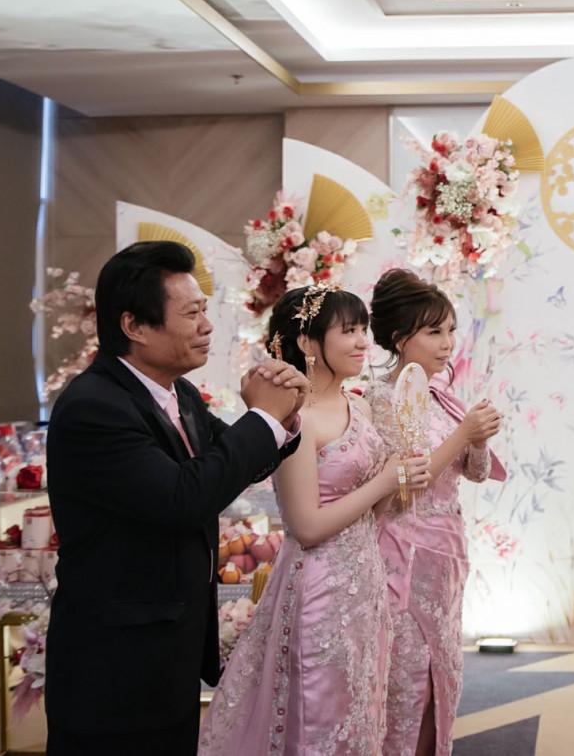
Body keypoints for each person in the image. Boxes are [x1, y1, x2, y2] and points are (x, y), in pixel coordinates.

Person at [45, 241, 306, 755]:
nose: (207, 326)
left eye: (204, 310)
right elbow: (184, 497)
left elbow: (232, 465)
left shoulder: (178, 392)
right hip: (115, 671)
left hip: (170, 658)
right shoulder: (93, 407)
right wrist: (263, 418)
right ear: (134, 326)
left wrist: (286, 416)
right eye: (191, 314)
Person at [199, 284, 431, 754]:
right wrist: (385, 481)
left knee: (360, 710)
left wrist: (403, 482)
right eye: (349, 331)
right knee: (317, 716)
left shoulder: (360, 406)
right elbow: (305, 527)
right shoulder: (295, 418)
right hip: (319, 588)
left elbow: (373, 511)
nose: (363, 341)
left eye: (364, 329)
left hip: (365, 585)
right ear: (307, 342)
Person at [367, 269, 506, 756]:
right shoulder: (379, 398)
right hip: (403, 552)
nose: (448, 343)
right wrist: (465, 433)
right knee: (406, 676)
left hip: (446, 554)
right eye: (434, 332)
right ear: (399, 338)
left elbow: (476, 472)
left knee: (442, 672)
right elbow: (405, 486)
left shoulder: (441, 396)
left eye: (450, 330)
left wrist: (478, 439)